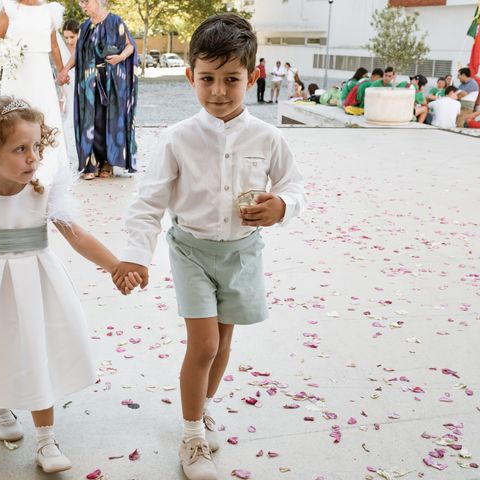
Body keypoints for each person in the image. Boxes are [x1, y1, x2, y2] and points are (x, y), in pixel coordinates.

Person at [111, 14, 306, 480]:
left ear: (252, 77)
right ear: (190, 77)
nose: (218, 91)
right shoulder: (178, 138)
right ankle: (192, 435)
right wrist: (136, 255)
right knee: (203, 343)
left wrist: (281, 205)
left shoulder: (268, 137)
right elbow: (148, 202)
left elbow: (294, 186)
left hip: (242, 253)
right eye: (207, 79)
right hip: (192, 252)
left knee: (223, 344)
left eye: (232, 80)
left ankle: (204, 407)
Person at [0, 97, 141, 474]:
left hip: (35, 287)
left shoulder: (42, 193)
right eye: (21, 149)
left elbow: (78, 237)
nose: (33, 158)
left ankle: (46, 438)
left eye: (37, 147)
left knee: (37, 353)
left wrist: (115, 266)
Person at [58, 0, 138, 180]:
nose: (83, 6)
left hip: (111, 81)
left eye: (86, 2)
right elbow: (77, 53)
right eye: (81, 3)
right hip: (88, 83)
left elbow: (130, 45)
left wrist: (120, 57)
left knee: (107, 120)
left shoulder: (115, 21)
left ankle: (108, 163)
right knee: (90, 121)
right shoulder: (85, 27)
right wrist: (64, 70)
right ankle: (91, 164)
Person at [0, 0, 68, 170]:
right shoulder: (9, 8)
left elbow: (54, 46)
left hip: (40, 71)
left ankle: (47, 163)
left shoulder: (50, 12)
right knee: (14, 112)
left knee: (44, 111)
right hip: (16, 70)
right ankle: (13, 160)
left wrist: (61, 71)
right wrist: (8, 51)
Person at [60, 18, 81, 166]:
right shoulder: (62, 49)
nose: (69, 41)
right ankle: (69, 155)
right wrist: (62, 95)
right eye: (66, 37)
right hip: (68, 86)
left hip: (81, 83)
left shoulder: (82, 46)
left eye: (72, 37)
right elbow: (60, 71)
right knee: (68, 118)